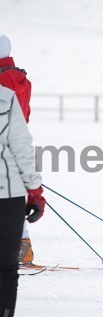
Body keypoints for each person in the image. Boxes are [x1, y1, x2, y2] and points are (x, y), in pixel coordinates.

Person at [0, 85, 45, 317]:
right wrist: (35, 191)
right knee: (6, 267)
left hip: (8, 191)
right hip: (7, 192)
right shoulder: (5, 97)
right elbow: (22, 148)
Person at [0, 34, 36, 265]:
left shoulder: (1, 82)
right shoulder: (22, 79)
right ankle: (23, 249)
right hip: (17, 142)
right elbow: (26, 115)